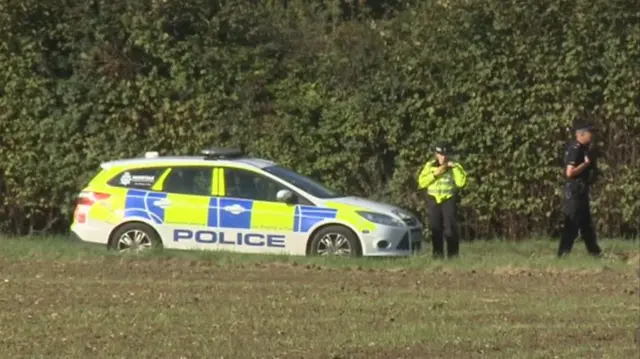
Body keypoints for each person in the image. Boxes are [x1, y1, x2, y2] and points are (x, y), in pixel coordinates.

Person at [557, 119, 603, 258]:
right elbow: (569, 173)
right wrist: (585, 164)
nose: (592, 136)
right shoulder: (575, 149)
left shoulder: (584, 149)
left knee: (586, 224)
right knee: (572, 223)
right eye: (590, 133)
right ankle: (563, 253)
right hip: (574, 191)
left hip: (582, 190)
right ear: (581, 134)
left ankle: (595, 253)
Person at [417, 143, 467, 259]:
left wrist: (454, 168)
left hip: (448, 198)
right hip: (433, 199)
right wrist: (435, 174)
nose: (443, 157)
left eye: (445, 155)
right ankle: (437, 255)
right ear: (436, 154)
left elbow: (461, 183)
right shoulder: (429, 166)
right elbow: (422, 182)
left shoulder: (455, 166)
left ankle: (453, 256)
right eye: (440, 155)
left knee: (450, 228)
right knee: (435, 228)